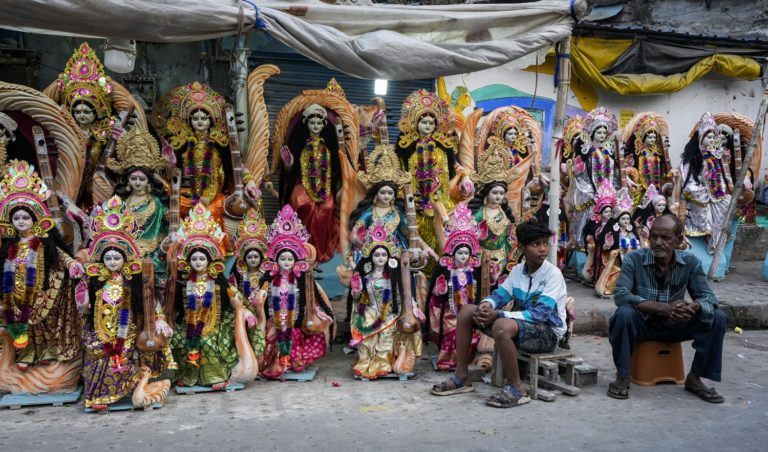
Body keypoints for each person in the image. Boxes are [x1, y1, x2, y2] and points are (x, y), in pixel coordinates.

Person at [430, 220, 568, 408]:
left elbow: (540, 315)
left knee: (501, 326)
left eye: (545, 243)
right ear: (521, 248)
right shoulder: (518, 271)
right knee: (467, 311)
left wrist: (499, 314)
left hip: (548, 334)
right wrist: (486, 307)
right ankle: (462, 377)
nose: (543, 249)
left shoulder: (553, 274)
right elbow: (499, 295)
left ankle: (517, 389)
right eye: (536, 244)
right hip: (520, 326)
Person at [607, 214, 727, 403]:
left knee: (717, 317)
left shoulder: (690, 262)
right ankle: (623, 376)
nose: (657, 242)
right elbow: (621, 295)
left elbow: (709, 298)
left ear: (679, 240)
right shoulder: (633, 259)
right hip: (644, 325)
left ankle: (695, 378)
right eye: (653, 237)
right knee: (623, 314)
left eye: (665, 238)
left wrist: (693, 306)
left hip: (675, 324)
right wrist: (663, 308)